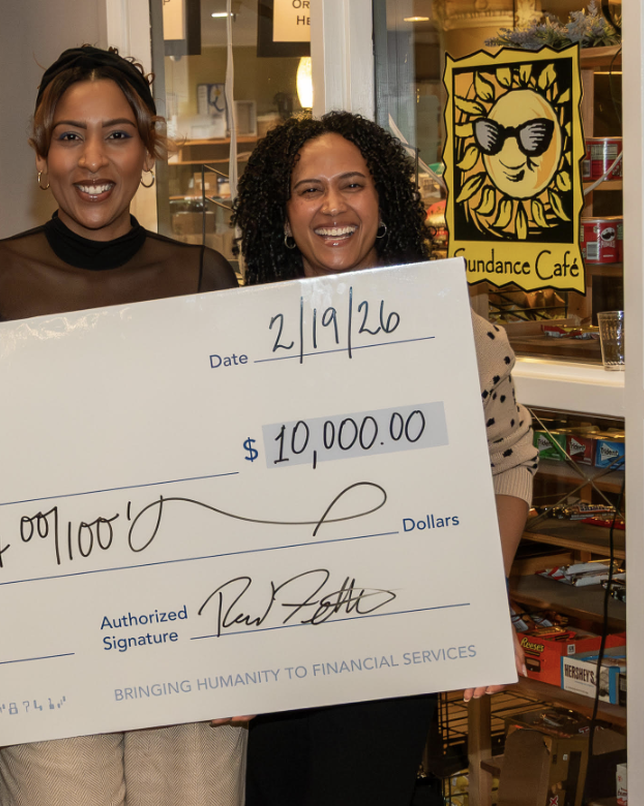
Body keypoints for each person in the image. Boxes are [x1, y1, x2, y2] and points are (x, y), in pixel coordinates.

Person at [0, 46, 241, 805]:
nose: (92, 158)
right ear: (40, 157)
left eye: (117, 134)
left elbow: (238, 462)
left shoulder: (204, 277)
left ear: (148, 152)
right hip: (46, 636)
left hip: (188, 623)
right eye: (69, 136)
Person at [232, 110, 538, 806]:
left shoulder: (454, 333)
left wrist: (479, 606)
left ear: (385, 203)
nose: (333, 207)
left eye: (353, 185)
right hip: (268, 643)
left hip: (391, 644)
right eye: (310, 190)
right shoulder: (241, 340)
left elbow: (508, 461)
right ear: (282, 216)